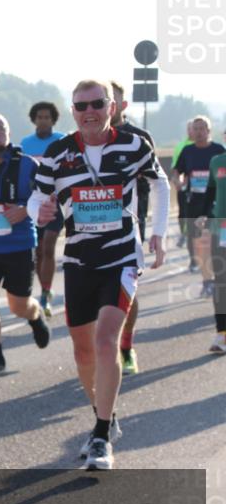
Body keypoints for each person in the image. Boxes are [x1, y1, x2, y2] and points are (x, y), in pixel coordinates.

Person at [28, 80, 169, 471]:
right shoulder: (58, 152)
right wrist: (36, 211)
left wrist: (157, 231)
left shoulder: (133, 145)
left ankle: (102, 434)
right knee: (83, 350)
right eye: (81, 105)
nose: (89, 111)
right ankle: (103, 415)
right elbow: (37, 196)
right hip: (78, 259)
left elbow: (159, 183)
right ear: (72, 110)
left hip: (122, 255)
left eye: (97, 104)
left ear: (112, 106)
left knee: (107, 340)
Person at [0, 114, 50, 378]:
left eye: (0, 128)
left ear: (9, 133)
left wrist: (26, 209)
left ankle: (35, 316)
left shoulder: (27, 165)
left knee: (18, 306)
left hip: (19, 244)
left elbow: (47, 195)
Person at [110, 80, 166, 374]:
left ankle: (126, 346)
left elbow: (157, 181)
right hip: (90, 227)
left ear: (122, 104)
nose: (106, 106)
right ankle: (104, 347)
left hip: (132, 220)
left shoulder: (138, 137)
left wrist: (157, 229)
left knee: (126, 287)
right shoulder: (83, 137)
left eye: (112, 100)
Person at [21, 102, 66, 317]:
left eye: (47, 117)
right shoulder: (25, 144)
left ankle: (45, 293)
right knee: (38, 253)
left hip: (56, 203)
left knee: (48, 246)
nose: (43, 120)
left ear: (53, 120)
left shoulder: (61, 141)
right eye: (39, 117)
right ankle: (45, 288)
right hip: (34, 204)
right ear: (34, 119)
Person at [174, 116, 226, 296]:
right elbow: (177, 171)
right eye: (195, 128)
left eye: (202, 128)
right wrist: (178, 181)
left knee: (219, 245)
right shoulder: (188, 151)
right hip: (195, 203)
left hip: (216, 206)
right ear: (191, 131)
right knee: (201, 245)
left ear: (209, 131)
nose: (198, 132)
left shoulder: (219, 151)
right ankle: (207, 281)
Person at [201, 130, 226, 353]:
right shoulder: (217, 161)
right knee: (221, 280)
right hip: (222, 228)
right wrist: (204, 215)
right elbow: (210, 191)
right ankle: (222, 333)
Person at [172, 122, 196, 252]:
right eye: (190, 129)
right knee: (183, 213)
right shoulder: (182, 147)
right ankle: (184, 234)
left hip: (202, 190)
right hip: (184, 186)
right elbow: (176, 168)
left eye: (193, 129)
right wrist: (178, 182)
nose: (191, 131)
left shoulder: (213, 149)